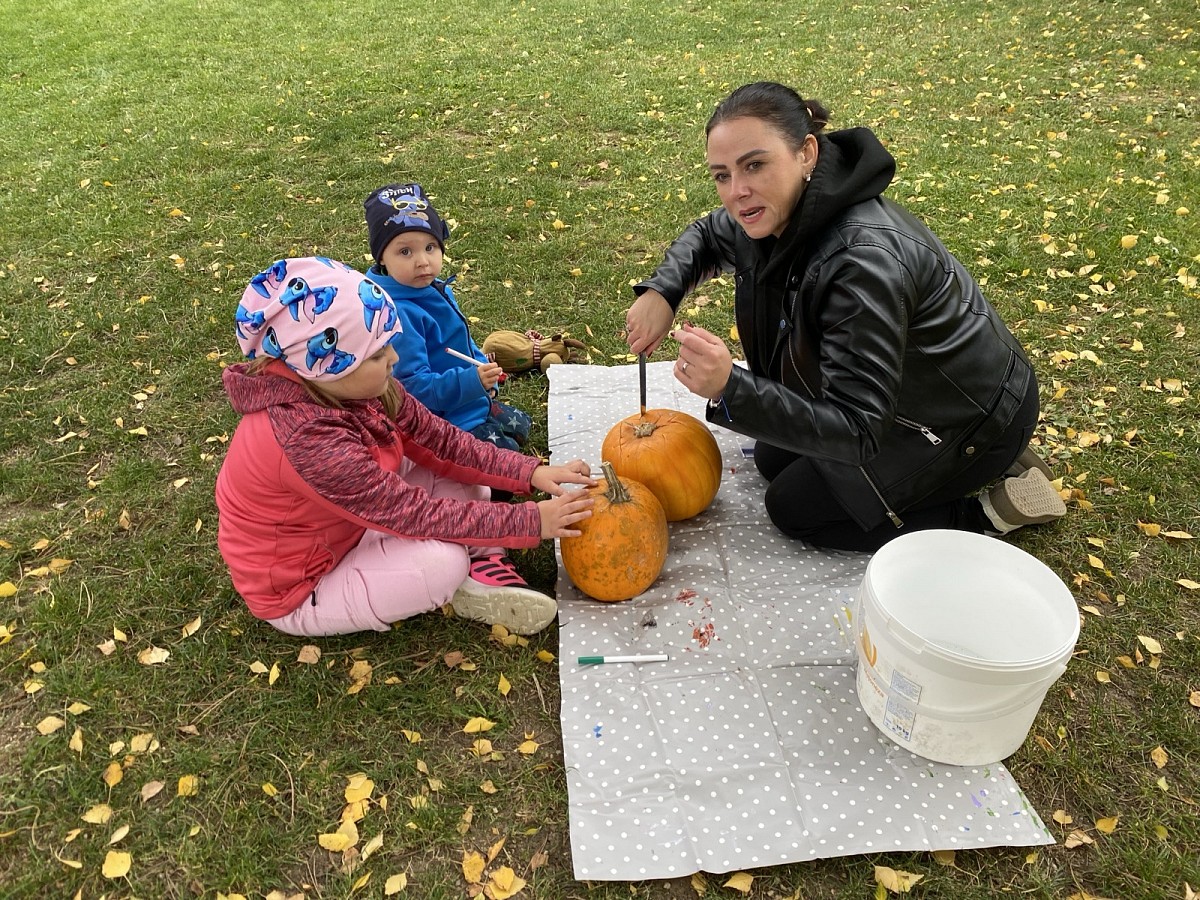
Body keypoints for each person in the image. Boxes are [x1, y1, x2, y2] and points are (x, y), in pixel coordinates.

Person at [625, 81, 1065, 552]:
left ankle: (986, 510)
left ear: (806, 153)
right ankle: (974, 466)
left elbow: (856, 431)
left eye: (755, 165)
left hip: (968, 419)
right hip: (901, 397)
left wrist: (730, 386)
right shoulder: (775, 209)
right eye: (722, 175)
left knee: (795, 510)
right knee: (772, 456)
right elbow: (710, 235)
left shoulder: (861, 263)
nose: (737, 192)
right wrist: (662, 291)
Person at [217, 256, 594, 637]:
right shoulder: (307, 441)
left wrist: (529, 471)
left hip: (349, 523)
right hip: (306, 582)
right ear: (328, 365)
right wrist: (530, 521)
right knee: (441, 565)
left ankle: (482, 561)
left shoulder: (355, 387)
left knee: (471, 482)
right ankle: (458, 575)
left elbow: (440, 441)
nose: (394, 359)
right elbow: (412, 514)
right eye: (378, 354)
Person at [363, 182, 532, 452]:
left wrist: (483, 370)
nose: (422, 261)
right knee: (504, 460)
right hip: (443, 420)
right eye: (405, 252)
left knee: (522, 425)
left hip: (467, 398)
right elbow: (414, 389)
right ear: (381, 257)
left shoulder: (434, 288)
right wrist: (472, 381)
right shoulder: (399, 313)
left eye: (430, 247)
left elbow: (462, 341)